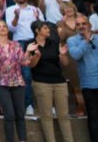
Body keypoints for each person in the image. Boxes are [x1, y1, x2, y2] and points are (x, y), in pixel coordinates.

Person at [27, 20, 74, 142]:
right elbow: (30, 65)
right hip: (41, 82)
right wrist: (36, 57)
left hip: (59, 81)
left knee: (64, 115)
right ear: (37, 31)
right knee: (46, 115)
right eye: (45, 28)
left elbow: (65, 63)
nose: (48, 30)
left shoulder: (54, 43)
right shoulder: (31, 45)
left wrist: (63, 55)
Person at [67, 13, 98, 141]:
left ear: (89, 25)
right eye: (78, 24)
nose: (81, 26)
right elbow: (76, 55)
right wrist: (86, 41)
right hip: (89, 84)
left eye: (84, 24)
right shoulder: (72, 40)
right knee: (94, 116)